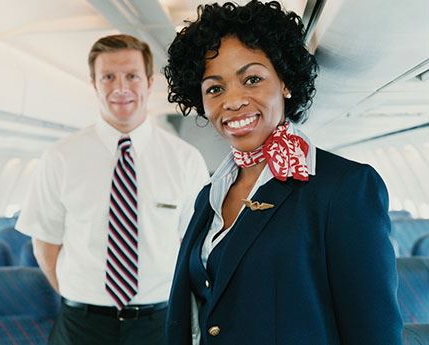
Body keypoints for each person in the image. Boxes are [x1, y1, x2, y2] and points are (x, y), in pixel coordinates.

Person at [163, 1, 403, 344]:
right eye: (215, 88)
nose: (233, 101)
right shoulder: (210, 195)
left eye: (252, 79)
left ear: (285, 83)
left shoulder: (345, 188)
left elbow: (374, 334)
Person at [16, 34, 209, 345]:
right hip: (81, 324)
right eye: (108, 77)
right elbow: (45, 245)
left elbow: (195, 247)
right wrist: (80, 296)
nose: (121, 88)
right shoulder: (60, 157)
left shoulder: (185, 160)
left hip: (159, 322)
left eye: (132, 76)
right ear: (94, 83)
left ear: (148, 82)